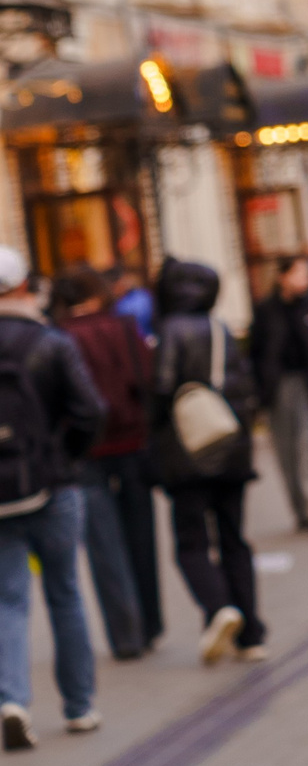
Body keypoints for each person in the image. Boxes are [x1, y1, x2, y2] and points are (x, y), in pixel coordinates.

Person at [0, 249, 102, 748]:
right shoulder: (50, 342)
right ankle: (79, 706)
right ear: (23, 286)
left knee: (8, 601)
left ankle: (12, 698)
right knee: (65, 594)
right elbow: (90, 411)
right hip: (54, 487)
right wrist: (64, 457)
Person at [148, 259, 264, 669]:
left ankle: (218, 609)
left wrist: (155, 439)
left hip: (189, 452)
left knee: (191, 542)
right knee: (234, 539)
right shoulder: (221, 329)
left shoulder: (170, 331)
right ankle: (250, 633)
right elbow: (245, 386)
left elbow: (162, 390)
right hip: (230, 445)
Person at [51, 267, 155, 658]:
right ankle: (151, 622)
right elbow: (146, 377)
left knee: (103, 544)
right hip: (132, 441)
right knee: (140, 532)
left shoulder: (60, 336)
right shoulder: (123, 328)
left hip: (85, 451)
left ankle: (125, 632)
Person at [247, 257, 308, 533]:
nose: (305, 280)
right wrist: (259, 390)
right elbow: (255, 352)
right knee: (287, 452)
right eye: (300, 274)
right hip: (278, 387)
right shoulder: (266, 310)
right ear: (282, 276)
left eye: (307, 275)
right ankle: (300, 511)